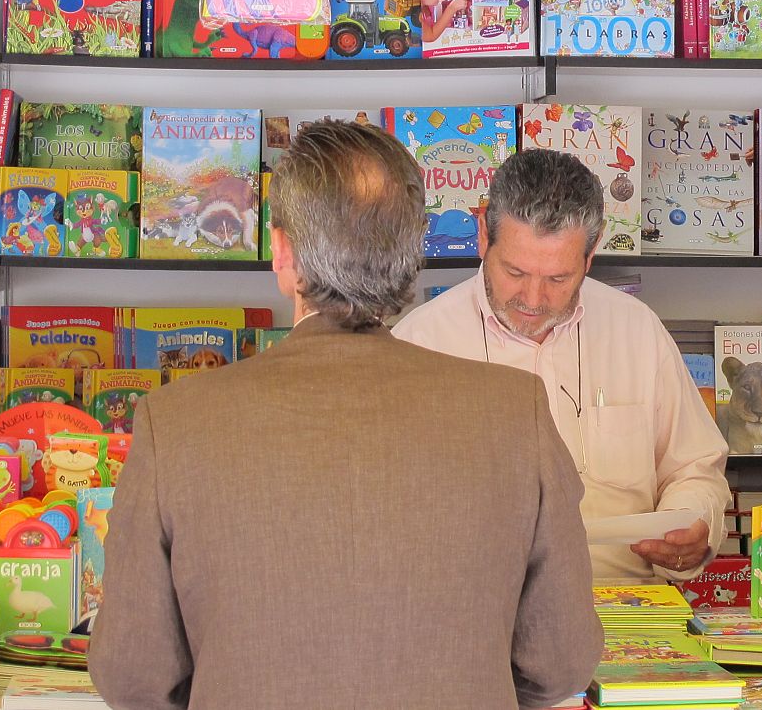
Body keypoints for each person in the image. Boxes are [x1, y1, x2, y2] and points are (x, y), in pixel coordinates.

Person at [90, 122, 601, 710]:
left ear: (281, 253)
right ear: (412, 256)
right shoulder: (517, 413)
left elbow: (133, 675)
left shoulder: (173, 423)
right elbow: (560, 662)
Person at [395, 149, 731, 581]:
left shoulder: (637, 331)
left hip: (619, 610)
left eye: (558, 279)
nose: (533, 300)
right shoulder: (418, 343)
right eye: (515, 271)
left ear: (590, 257)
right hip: (471, 619)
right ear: (483, 235)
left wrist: (691, 520)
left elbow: (694, 467)